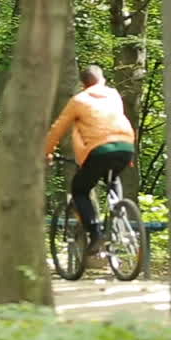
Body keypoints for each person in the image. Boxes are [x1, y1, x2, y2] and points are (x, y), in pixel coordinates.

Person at [44, 64, 136, 254]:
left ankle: (96, 235)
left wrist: (47, 152)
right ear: (102, 79)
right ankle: (119, 212)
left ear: (83, 83)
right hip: (126, 146)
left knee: (79, 190)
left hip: (99, 149)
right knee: (113, 178)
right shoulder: (113, 95)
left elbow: (58, 128)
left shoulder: (79, 100)